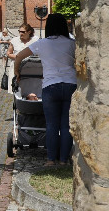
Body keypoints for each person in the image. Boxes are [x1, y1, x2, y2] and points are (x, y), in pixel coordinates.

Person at [14, 14, 76, 166]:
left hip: (50, 86)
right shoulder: (72, 43)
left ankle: (50, 160)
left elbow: (19, 57)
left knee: (51, 124)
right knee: (66, 125)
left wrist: (17, 72)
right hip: (70, 85)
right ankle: (63, 160)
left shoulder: (43, 43)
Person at [7, 23, 39, 94]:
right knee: (16, 89)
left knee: (30, 90)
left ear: (29, 32)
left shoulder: (35, 41)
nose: (21, 34)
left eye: (23, 32)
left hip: (30, 68)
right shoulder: (14, 40)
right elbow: (9, 53)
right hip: (16, 66)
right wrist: (19, 57)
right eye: (19, 31)